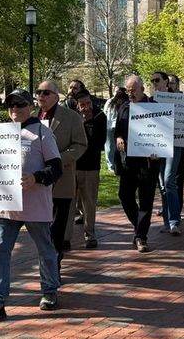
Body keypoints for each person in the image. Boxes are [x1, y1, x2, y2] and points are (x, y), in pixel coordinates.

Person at [0, 89, 62, 320]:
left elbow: (56, 168)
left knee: (45, 250)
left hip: (35, 205)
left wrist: (37, 178)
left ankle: (49, 291)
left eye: (20, 105)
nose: (15, 110)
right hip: (6, 205)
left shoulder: (42, 132)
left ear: (30, 106)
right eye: (10, 106)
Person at [35, 79, 87, 267]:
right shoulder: (32, 117)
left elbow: (81, 144)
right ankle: (47, 263)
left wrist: (58, 159)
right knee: (42, 228)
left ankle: (54, 265)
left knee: (57, 227)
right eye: (39, 92)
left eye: (46, 92)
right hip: (36, 182)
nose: (41, 95)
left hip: (62, 180)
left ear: (56, 97)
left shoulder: (71, 117)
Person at [114, 74, 162, 251]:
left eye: (133, 90)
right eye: (127, 91)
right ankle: (139, 225)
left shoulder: (156, 108)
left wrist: (159, 151)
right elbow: (118, 129)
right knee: (124, 195)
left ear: (142, 89)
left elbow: (162, 135)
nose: (130, 94)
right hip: (129, 161)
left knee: (146, 199)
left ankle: (141, 236)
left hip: (149, 162)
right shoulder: (124, 107)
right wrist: (119, 138)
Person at [152, 71, 184, 234]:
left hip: (174, 144)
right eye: (152, 80)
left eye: (157, 80)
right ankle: (167, 222)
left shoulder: (179, 100)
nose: (154, 83)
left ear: (166, 82)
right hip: (157, 144)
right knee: (162, 185)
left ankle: (174, 221)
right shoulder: (151, 101)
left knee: (168, 180)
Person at [74, 90, 107, 248]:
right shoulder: (72, 118)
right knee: (70, 203)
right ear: (77, 105)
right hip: (72, 166)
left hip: (91, 166)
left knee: (89, 203)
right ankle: (65, 237)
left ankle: (90, 234)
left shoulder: (100, 118)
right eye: (82, 105)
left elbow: (99, 144)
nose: (86, 107)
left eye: (88, 104)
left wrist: (88, 123)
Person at [103, 86, 128, 175]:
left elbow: (104, 112)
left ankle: (111, 165)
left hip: (109, 126)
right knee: (115, 146)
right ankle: (115, 164)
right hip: (116, 126)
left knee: (110, 146)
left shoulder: (110, 101)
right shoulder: (124, 102)